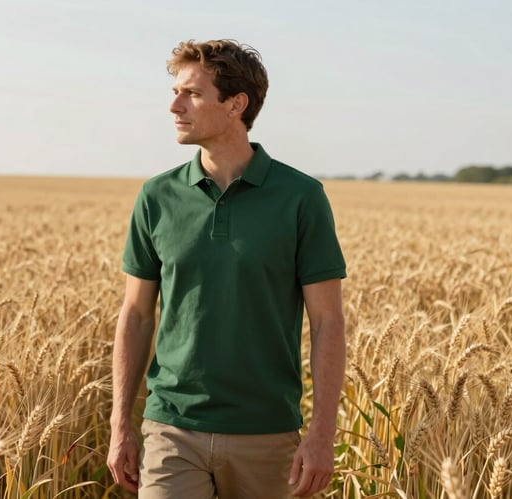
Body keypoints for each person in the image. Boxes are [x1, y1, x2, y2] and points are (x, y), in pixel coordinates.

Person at [107, 39, 347, 499]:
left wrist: (322, 434)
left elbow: (327, 319)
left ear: (237, 104)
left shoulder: (300, 197)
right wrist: (121, 426)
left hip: (267, 433)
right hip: (172, 428)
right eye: (175, 92)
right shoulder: (157, 197)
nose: (174, 106)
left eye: (192, 94)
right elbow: (136, 314)